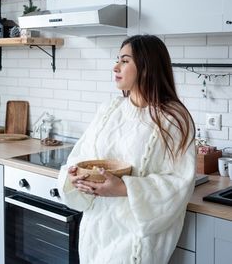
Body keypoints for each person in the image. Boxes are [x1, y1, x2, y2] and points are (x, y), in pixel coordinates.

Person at [58, 34, 196, 264]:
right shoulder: (109, 109)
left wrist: (124, 188)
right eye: (117, 60)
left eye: (124, 60)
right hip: (96, 233)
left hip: (136, 243)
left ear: (146, 66)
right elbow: (80, 156)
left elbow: (180, 184)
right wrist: (74, 178)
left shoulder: (174, 119)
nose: (115, 67)